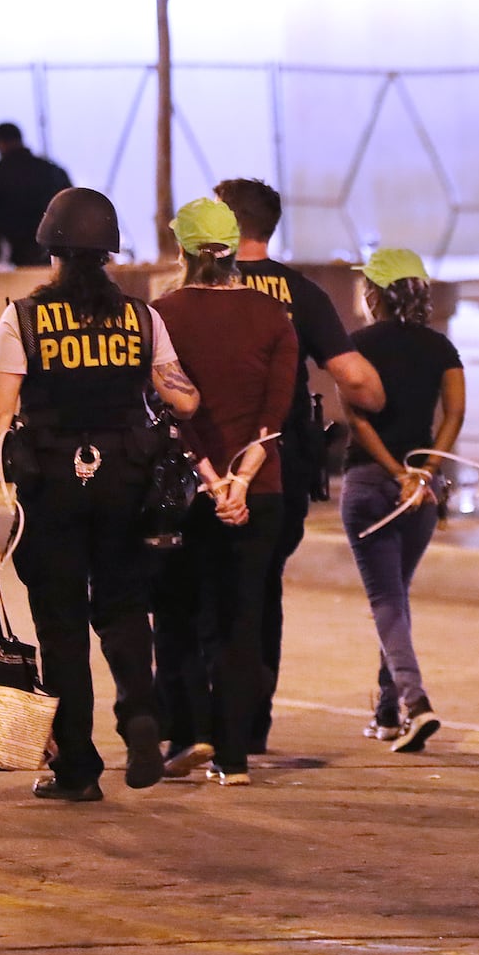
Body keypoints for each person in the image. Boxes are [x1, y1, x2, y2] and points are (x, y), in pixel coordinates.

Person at [0, 186, 200, 801]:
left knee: (61, 624)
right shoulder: (141, 318)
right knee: (122, 606)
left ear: (53, 252)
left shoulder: (24, 318)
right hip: (125, 480)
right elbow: (183, 397)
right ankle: (141, 715)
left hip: (52, 483)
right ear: (108, 255)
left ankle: (79, 770)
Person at [213, 178, 385, 755]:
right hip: (279, 468)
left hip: (206, 466)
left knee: (202, 589)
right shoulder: (301, 292)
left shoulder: (199, 284)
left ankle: (202, 720)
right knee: (261, 591)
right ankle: (252, 722)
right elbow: (354, 377)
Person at [150, 198, 298, 787]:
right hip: (260, 492)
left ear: (180, 247)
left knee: (181, 614)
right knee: (242, 619)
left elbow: (171, 413)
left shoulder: (160, 315)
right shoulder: (273, 316)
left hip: (189, 493)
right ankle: (235, 759)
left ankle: (190, 733)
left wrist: (211, 480)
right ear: (235, 247)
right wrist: (242, 477)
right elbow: (277, 412)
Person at [339, 248, 465, 753]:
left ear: (374, 293)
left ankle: (416, 703)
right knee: (396, 598)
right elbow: (454, 413)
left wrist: (394, 471)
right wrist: (425, 472)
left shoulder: (357, 346)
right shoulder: (441, 349)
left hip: (370, 485)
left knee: (386, 599)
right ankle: (388, 710)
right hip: (421, 493)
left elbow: (357, 418)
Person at [0, 122, 72, 266]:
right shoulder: (52, 171)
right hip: (47, 256)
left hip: (5, 261)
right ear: (20, 139)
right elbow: (72, 209)